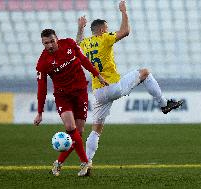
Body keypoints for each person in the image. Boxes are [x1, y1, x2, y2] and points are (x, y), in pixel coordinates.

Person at [76, 0, 183, 170]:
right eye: (107, 27)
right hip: (113, 86)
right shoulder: (104, 38)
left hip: (98, 92)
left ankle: (86, 163)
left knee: (96, 130)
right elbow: (125, 31)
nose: (109, 29)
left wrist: (81, 27)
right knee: (145, 72)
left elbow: (77, 44)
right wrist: (124, 12)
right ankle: (164, 104)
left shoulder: (85, 44)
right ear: (102, 30)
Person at [33, 29, 108, 176]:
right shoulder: (43, 63)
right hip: (63, 96)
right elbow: (41, 88)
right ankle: (85, 162)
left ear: (57, 39)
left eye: (51, 41)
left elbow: (84, 60)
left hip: (80, 93)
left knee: (77, 134)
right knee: (70, 127)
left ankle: (58, 164)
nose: (49, 45)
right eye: (45, 43)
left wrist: (97, 75)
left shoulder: (69, 44)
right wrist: (39, 112)